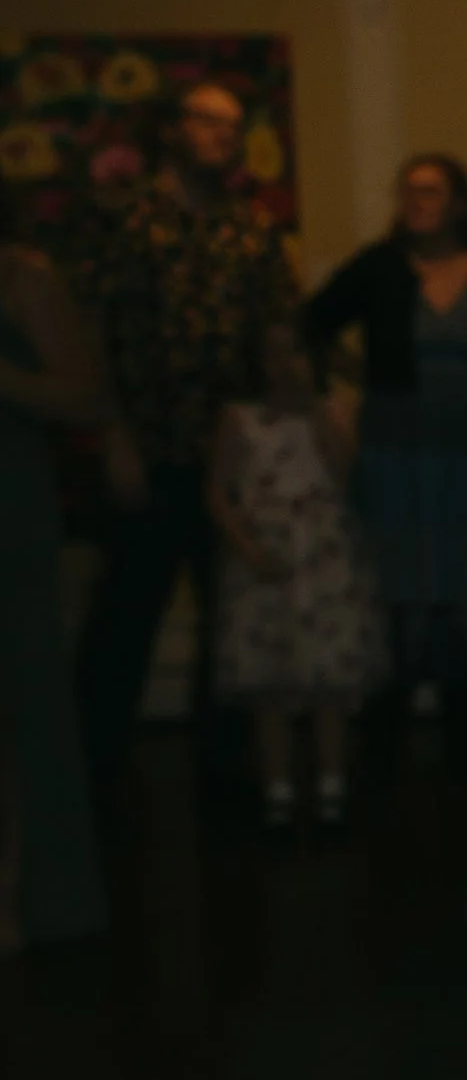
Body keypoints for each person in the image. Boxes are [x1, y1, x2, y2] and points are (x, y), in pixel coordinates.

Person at [71, 77, 297, 786]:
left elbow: (276, 332)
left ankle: (225, 779)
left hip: (231, 459)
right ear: (173, 130)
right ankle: (87, 779)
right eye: (209, 122)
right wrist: (113, 437)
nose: (224, 136)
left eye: (235, 125)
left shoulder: (250, 227)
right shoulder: (123, 218)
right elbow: (90, 330)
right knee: (124, 619)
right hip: (150, 448)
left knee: (233, 625)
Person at [303, 155, 467, 770]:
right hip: (401, 452)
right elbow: (310, 323)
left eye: (431, 191)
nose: (418, 202)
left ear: (460, 204)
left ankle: (461, 725)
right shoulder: (380, 268)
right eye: (409, 191)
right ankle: (387, 724)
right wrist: (360, 376)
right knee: (399, 576)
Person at [206, 314, 389, 829]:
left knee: (329, 679)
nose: (285, 366)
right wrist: (246, 546)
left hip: (324, 554)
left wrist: (316, 415)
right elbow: (219, 492)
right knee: (268, 682)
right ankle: (278, 791)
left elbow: (345, 473)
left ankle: (332, 786)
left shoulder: (335, 410)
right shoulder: (240, 418)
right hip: (266, 555)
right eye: (272, 354)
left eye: (296, 353)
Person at [0, 181, 108, 949]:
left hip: (9, 500)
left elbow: (81, 393)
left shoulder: (23, 278)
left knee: (24, 700)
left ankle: (31, 898)